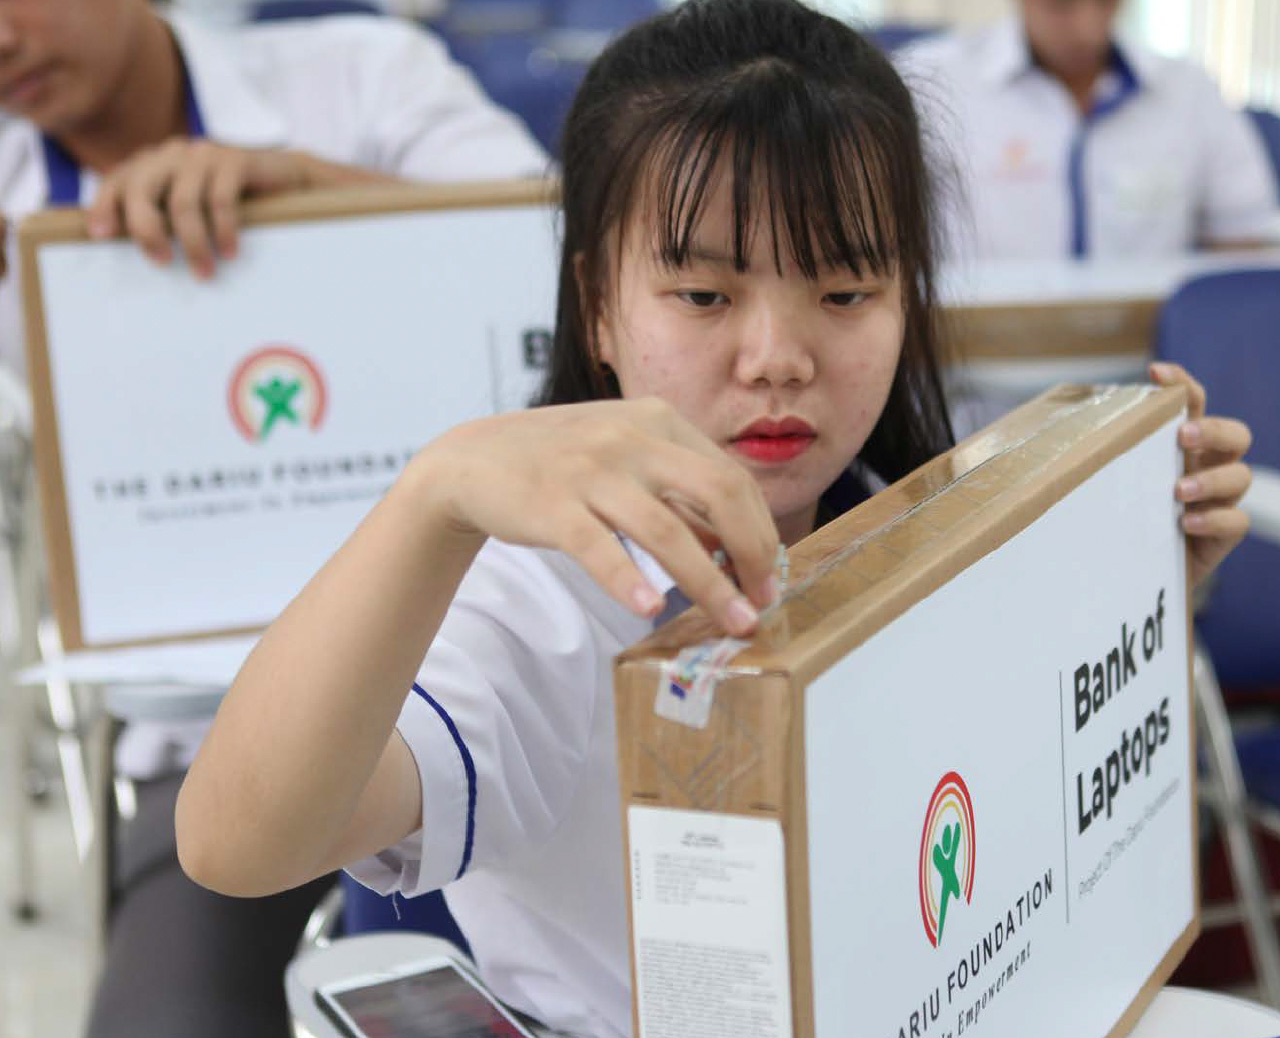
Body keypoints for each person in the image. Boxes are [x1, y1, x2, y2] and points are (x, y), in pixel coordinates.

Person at [175, 2, 1254, 1036]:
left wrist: (1148, 578)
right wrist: (434, 496)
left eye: (843, 294)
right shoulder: (543, 601)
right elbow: (237, 840)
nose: (777, 358)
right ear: (598, 301)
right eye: (702, 296)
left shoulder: (904, 516)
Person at [0, 2, 545, 1036]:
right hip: (215, 742)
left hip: (507, 676)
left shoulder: (360, 79)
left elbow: (575, 251)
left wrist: (313, 188)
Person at [896, 0, 1280, 260]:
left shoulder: (1189, 91)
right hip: (977, 370)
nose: (1086, 30)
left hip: (1151, 369)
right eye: (1062, 5)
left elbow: (1244, 249)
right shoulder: (928, 82)